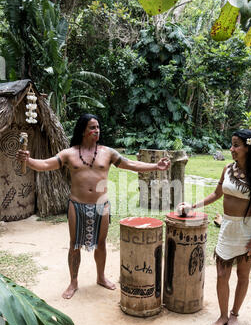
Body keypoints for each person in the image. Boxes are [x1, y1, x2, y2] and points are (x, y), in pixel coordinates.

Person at [17, 113, 170, 299]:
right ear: (83, 130)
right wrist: (28, 160)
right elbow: (46, 164)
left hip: (101, 205)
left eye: (97, 127)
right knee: (74, 245)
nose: (96, 130)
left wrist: (155, 166)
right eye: (92, 127)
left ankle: (101, 277)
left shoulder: (107, 152)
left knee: (101, 244)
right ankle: (73, 282)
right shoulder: (69, 154)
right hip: (77, 205)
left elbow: (130, 164)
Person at [180, 129, 251, 325]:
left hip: (247, 230)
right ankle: (222, 315)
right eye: (232, 144)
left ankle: (234, 314)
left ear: (248, 148)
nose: (232, 149)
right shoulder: (227, 169)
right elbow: (216, 193)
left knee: (243, 275)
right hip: (227, 228)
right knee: (222, 275)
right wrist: (193, 206)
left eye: (236, 145)